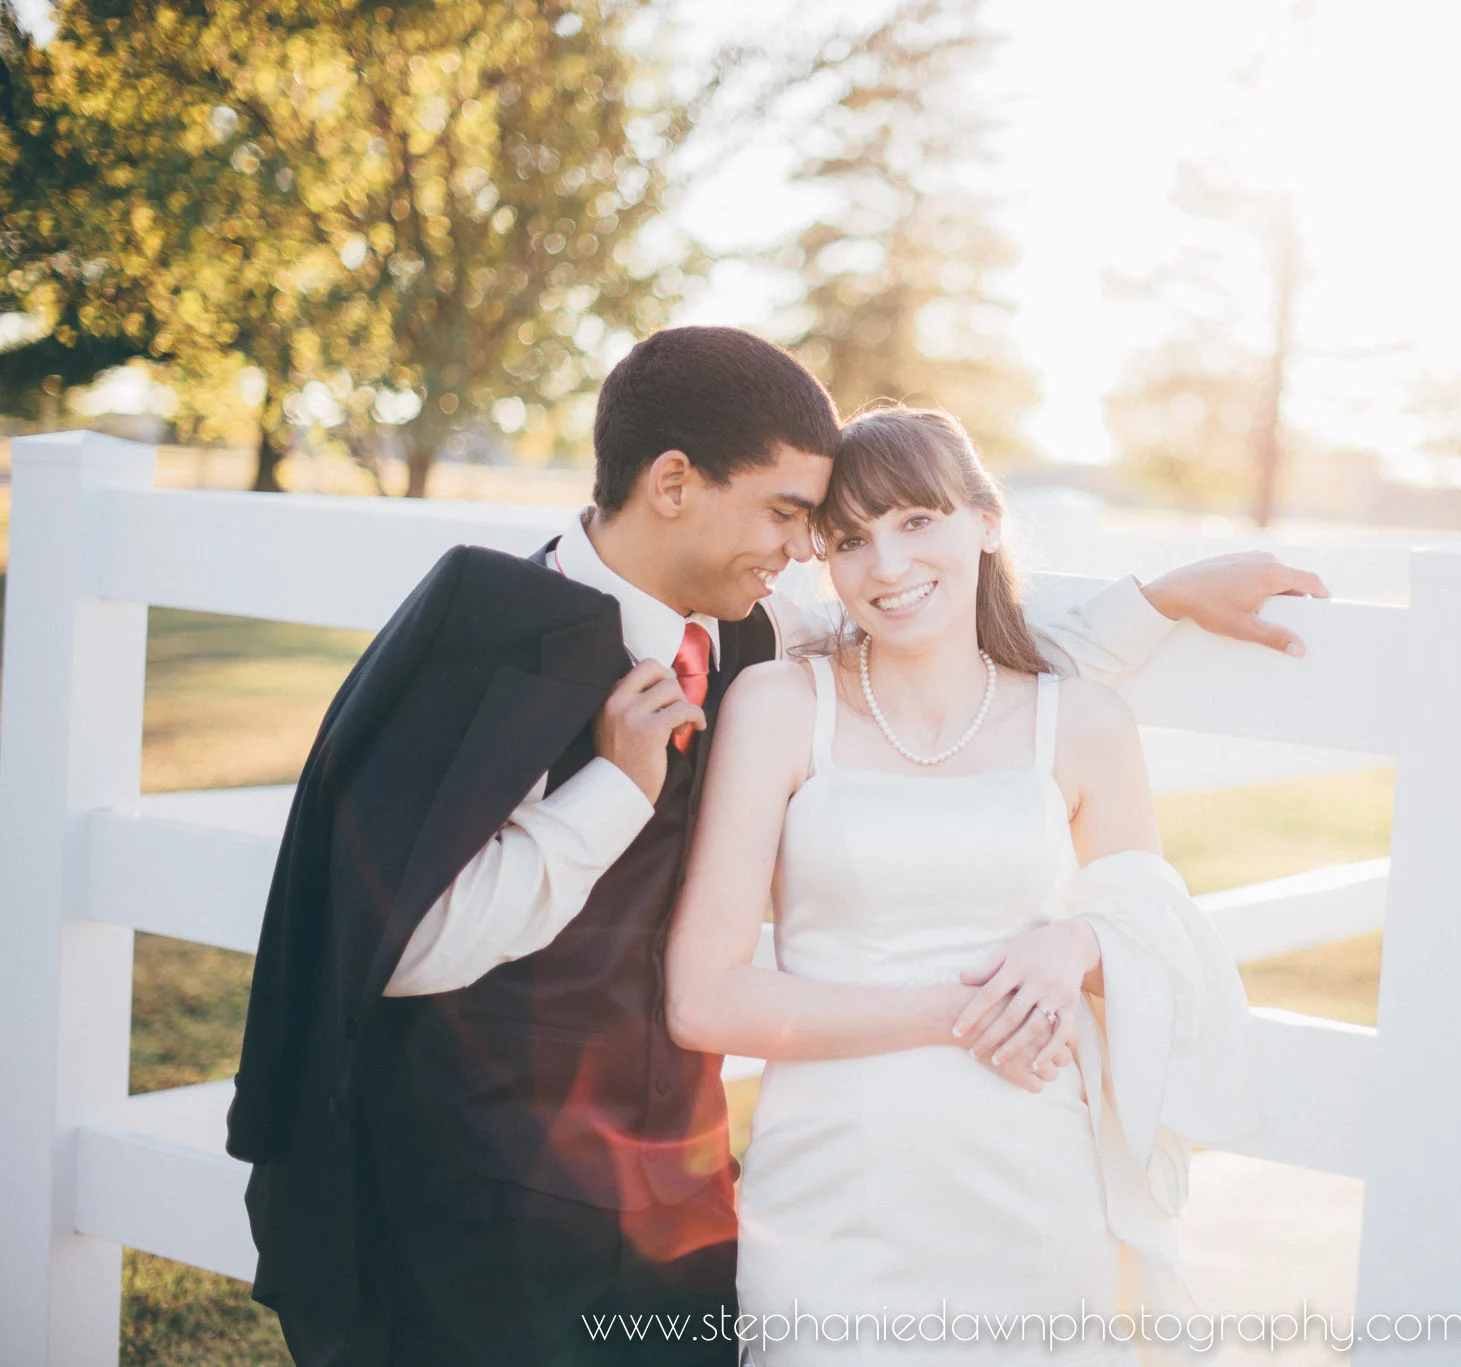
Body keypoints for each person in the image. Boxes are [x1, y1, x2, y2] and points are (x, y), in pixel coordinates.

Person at [226, 326, 1327, 1367]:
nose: (808, 551)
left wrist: (1163, 598)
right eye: (795, 515)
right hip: (487, 1169)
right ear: (671, 484)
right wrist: (612, 786)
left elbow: (953, 673)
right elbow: (407, 942)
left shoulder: (751, 633)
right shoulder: (490, 642)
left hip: (672, 1175)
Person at [665, 406, 1267, 1365]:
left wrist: (1076, 942)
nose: (887, 566)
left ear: (986, 521)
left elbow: (1153, 934)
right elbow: (705, 999)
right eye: (850, 539)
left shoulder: (1082, 724)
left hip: (1031, 1185)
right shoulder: (781, 706)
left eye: (916, 521)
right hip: (832, 1193)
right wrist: (959, 1011)